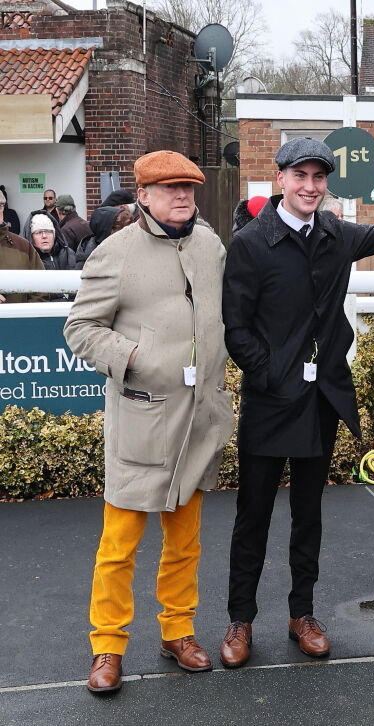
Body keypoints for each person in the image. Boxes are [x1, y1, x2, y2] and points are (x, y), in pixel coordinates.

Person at [220, 138, 374, 667]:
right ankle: (240, 619)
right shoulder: (250, 243)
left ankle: (301, 613)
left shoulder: (335, 234)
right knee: (253, 516)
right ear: (280, 179)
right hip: (270, 401)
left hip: (320, 402)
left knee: (309, 515)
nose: (310, 186)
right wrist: (271, 376)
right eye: (300, 176)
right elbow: (236, 330)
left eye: (318, 177)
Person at [64, 150, 235, 694]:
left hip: (198, 421)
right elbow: (81, 328)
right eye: (169, 188)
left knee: (185, 543)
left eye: (189, 187)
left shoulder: (211, 246)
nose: (183, 195)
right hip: (141, 422)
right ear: (142, 195)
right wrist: (135, 357)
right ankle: (107, 646)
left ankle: (178, 631)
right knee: (119, 545)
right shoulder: (115, 253)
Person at [1, 188, 46, 303]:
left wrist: (26, 317)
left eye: (0, 206)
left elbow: (41, 289)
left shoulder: (23, 246)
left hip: (17, 320)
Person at [76, 205, 136, 269]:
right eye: (128, 225)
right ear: (111, 230)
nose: (134, 229)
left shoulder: (132, 248)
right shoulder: (88, 262)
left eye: (133, 223)